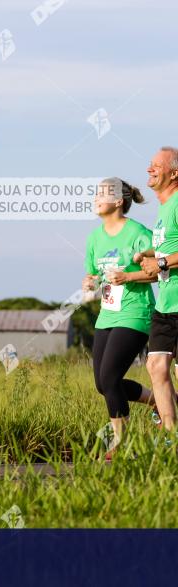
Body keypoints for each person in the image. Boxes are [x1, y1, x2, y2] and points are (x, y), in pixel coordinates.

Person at [84, 177, 158, 458]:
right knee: (102, 385)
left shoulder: (138, 233)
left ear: (118, 201)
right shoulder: (95, 237)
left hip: (135, 313)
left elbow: (159, 268)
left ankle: (121, 444)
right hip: (107, 314)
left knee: (111, 376)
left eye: (101, 194)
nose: (95, 198)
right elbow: (93, 274)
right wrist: (89, 282)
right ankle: (158, 401)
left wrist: (129, 276)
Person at [136, 147, 178, 435]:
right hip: (165, 303)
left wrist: (160, 260)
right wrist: (149, 255)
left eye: (156, 166)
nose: (150, 170)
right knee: (156, 366)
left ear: (174, 173)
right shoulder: (163, 209)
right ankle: (170, 435)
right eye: (149, 165)